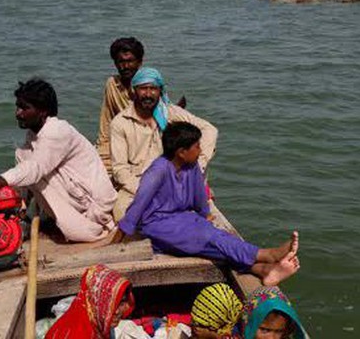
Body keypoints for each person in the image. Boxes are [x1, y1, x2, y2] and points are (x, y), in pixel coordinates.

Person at [116, 122, 300, 286]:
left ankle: (263, 271)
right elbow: (137, 207)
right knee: (209, 238)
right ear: (181, 152)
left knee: (220, 237)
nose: (201, 150)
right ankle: (266, 255)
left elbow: (199, 199)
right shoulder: (157, 172)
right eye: (196, 146)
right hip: (157, 226)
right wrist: (116, 241)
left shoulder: (192, 166)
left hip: (182, 219)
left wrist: (205, 215)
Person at [0, 78, 117, 242]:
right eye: (18, 106)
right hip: (75, 202)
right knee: (22, 155)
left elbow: (35, 168)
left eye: (24, 108)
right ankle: (30, 216)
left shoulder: (58, 131)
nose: (18, 113)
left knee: (28, 165)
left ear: (43, 111)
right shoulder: (32, 139)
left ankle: (61, 221)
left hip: (95, 211)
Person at [110, 67, 218, 220]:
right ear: (134, 91)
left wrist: (198, 164)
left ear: (160, 91)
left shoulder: (171, 113)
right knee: (122, 214)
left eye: (153, 89)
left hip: (175, 177)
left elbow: (209, 130)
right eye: (143, 89)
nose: (148, 94)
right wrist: (146, 191)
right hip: (139, 182)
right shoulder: (120, 123)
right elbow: (120, 170)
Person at [95, 37, 145, 174]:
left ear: (139, 62)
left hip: (144, 144)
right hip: (119, 142)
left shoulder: (148, 86)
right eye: (120, 62)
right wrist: (102, 148)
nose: (125, 66)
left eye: (130, 61)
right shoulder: (112, 84)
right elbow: (106, 122)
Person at [45, 264, 134, 339]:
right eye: (111, 305)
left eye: (121, 303)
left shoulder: (95, 322)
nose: (117, 311)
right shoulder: (78, 332)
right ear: (97, 303)